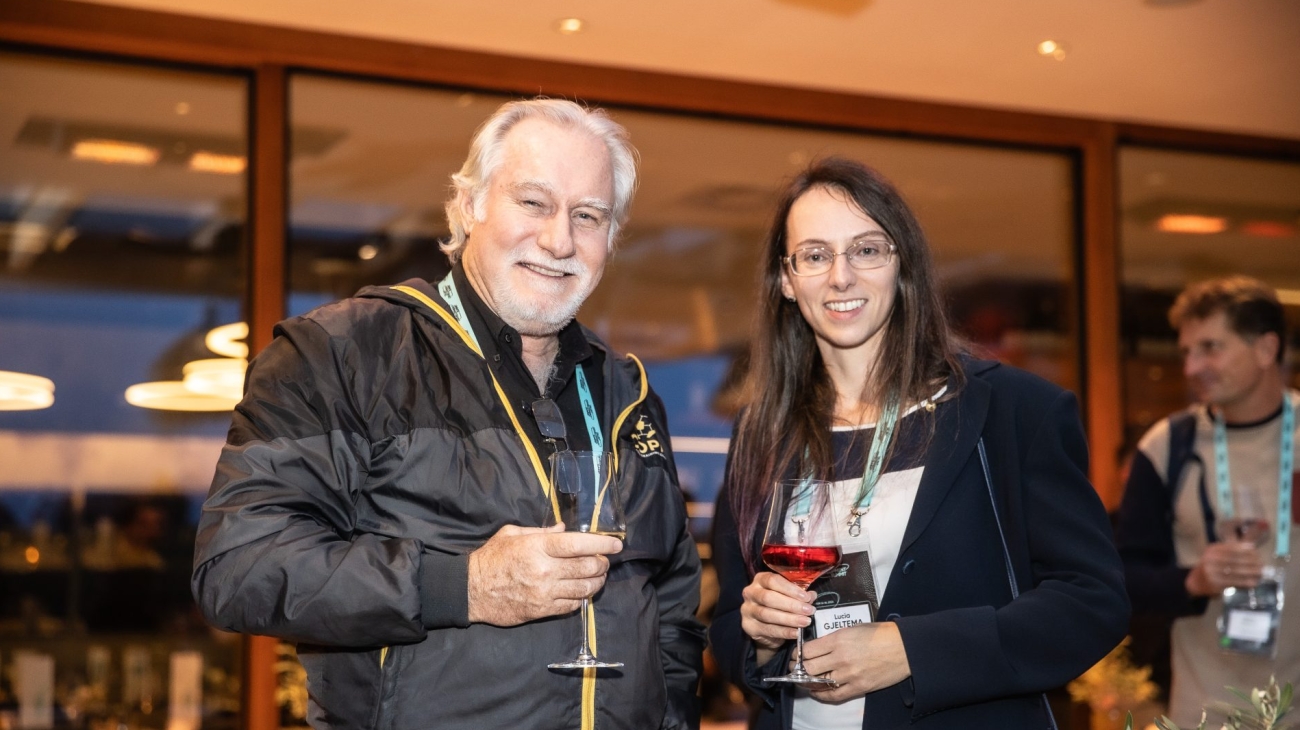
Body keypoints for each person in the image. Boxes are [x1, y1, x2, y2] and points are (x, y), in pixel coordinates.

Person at [192, 98, 705, 729]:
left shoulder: (626, 392)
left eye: (588, 215)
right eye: (533, 202)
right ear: (468, 207)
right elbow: (239, 568)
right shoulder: (343, 353)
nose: (559, 239)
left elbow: (671, 612)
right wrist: (464, 585)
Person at [709, 158, 1129, 729]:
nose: (840, 276)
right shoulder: (761, 433)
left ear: (900, 264)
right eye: (814, 255)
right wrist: (758, 635)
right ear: (786, 280)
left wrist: (912, 649)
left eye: (866, 250)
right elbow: (734, 634)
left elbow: (1092, 604)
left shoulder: (1014, 412)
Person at [1116, 275, 1298, 726]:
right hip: (1203, 712)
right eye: (1186, 352)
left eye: (1211, 348)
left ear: (1265, 349)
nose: (1192, 367)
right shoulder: (1167, 446)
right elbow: (1121, 576)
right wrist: (1192, 582)